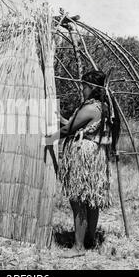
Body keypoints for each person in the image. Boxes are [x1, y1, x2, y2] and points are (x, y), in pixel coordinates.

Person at [45, 70, 121, 257]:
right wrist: (62, 119)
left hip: (84, 156)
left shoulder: (90, 108)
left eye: (84, 86)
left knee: (78, 200)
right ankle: (90, 239)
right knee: (91, 200)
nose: (82, 89)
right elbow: (76, 124)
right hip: (96, 156)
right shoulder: (103, 107)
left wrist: (49, 139)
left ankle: (78, 247)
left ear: (92, 87)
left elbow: (68, 129)